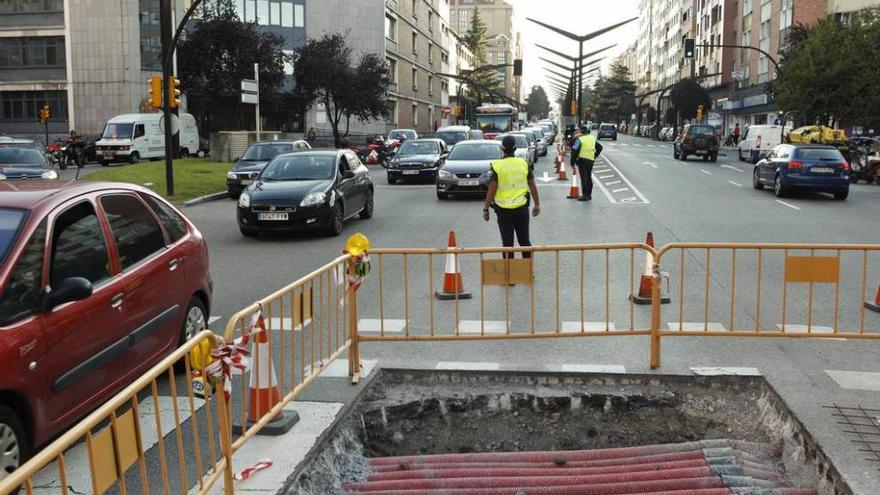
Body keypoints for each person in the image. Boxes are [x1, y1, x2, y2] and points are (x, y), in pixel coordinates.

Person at [483, 135, 541, 259]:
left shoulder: (497, 166)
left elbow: (492, 189)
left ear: (502, 148)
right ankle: (527, 271)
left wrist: (486, 209)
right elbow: (532, 185)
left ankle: (509, 273)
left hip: (503, 210)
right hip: (521, 209)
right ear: (515, 148)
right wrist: (537, 204)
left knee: (507, 244)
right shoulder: (523, 164)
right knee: (524, 241)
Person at [571, 124, 603, 201]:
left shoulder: (580, 139)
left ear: (581, 132)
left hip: (582, 160)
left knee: (584, 178)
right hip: (590, 160)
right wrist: (594, 155)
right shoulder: (592, 138)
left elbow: (574, 150)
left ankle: (585, 195)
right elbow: (600, 147)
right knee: (588, 177)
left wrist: (573, 162)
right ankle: (589, 194)